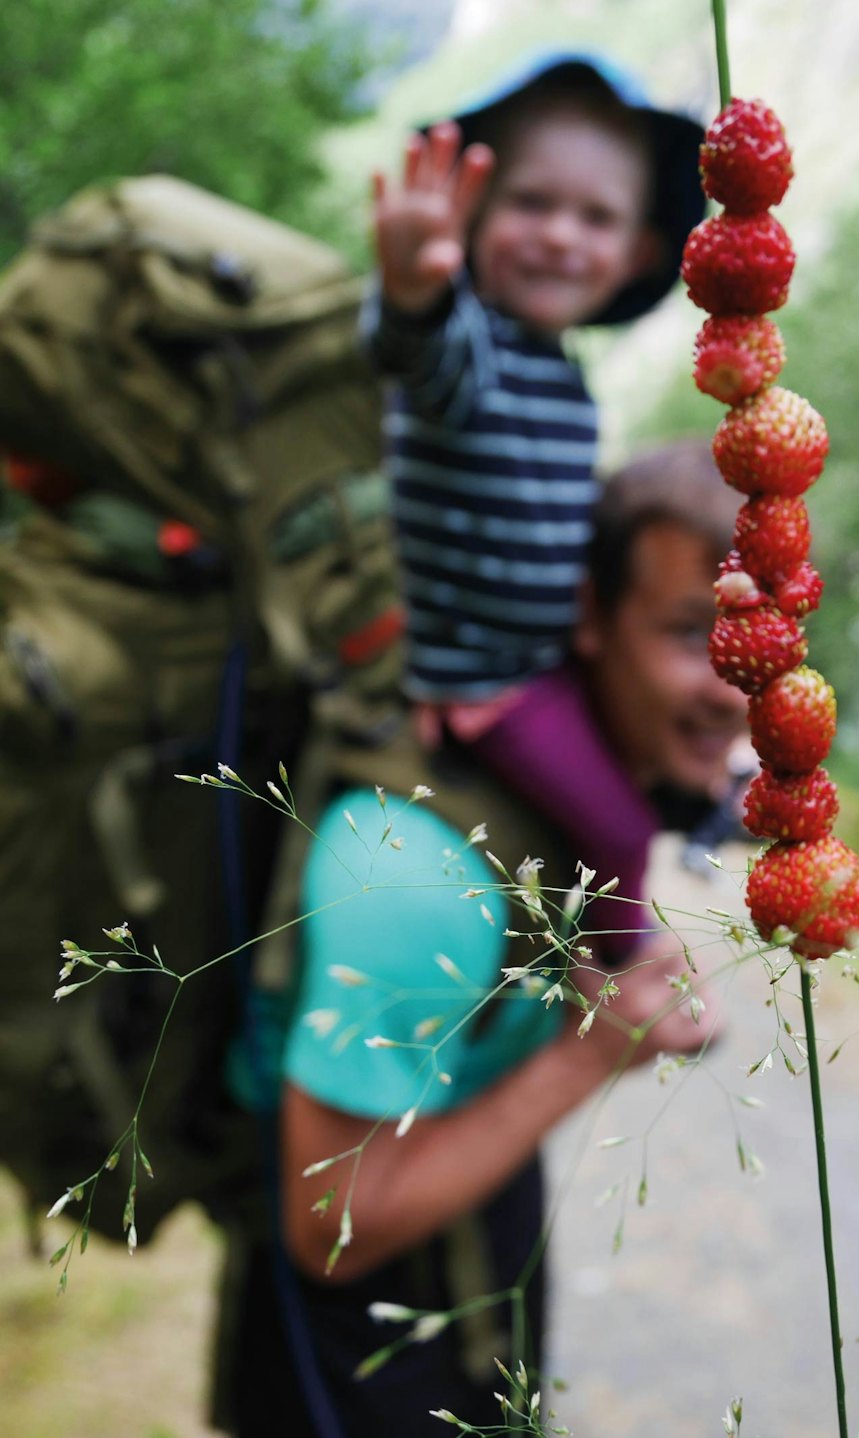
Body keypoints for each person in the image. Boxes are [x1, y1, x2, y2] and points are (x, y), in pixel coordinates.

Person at [211, 442, 748, 1436]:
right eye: (690, 633)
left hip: (475, 1237)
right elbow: (330, 1232)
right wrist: (595, 1050)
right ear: (588, 615)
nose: (740, 683)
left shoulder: (577, 804)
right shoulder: (417, 878)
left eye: (770, 641)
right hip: (349, 1334)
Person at [363, 52, 705, 958]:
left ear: (636, 250)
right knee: (624, 836)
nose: (560, 235)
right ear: (471, 216)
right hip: (489, 683)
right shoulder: (472, 345)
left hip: (537, 657)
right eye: (529, 203)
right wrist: (412, 288)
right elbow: (418, 356)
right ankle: (619, 977)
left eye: (595, 216)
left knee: (652, 771)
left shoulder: (560, 373)